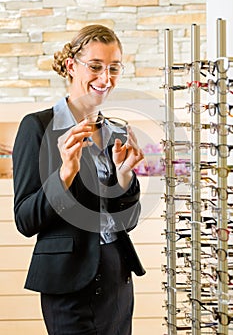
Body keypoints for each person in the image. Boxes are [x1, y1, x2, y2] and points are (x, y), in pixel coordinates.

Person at [13, 24, 145, 335]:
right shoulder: (37, 127)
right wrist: (64, 174)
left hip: (117, 275)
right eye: (96, 66)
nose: (106, 78)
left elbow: (128, 220)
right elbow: (25, 220)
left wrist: (125, 178)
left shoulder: (118, 132)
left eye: (114, 68)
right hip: (68, 281)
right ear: (72, 66)